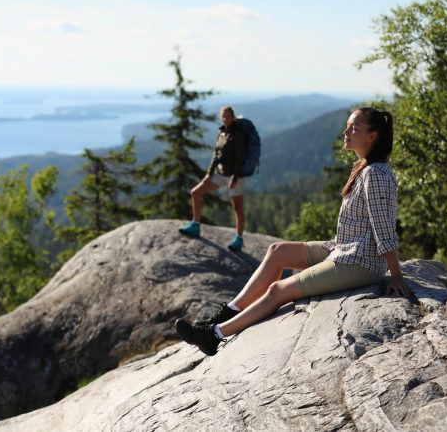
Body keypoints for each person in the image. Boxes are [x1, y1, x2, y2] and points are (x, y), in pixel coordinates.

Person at [175, 106, 411, 356]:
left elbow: (384, 229)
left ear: (372, 136)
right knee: (277, 251)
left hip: (361, 262)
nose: (346, 131)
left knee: (278, 291)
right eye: (347, 126)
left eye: (354, 128)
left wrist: (396, 276)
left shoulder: (376, 174)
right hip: (345, 248)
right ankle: (229, 311)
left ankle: (214, 335)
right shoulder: (364, 166)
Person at [179, 106, 247, 252]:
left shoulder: (238, 134)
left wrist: (234, 178)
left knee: (237, 207)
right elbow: (216, 154)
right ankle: (195, 225)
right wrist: (208, 174)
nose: (224, 119)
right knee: (195, 193)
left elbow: (240, 158)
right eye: (222, 116)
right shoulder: (222, 132)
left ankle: (239, 238)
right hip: (220, 174)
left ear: (233, 117)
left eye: (227, 116)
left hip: (235, 176)